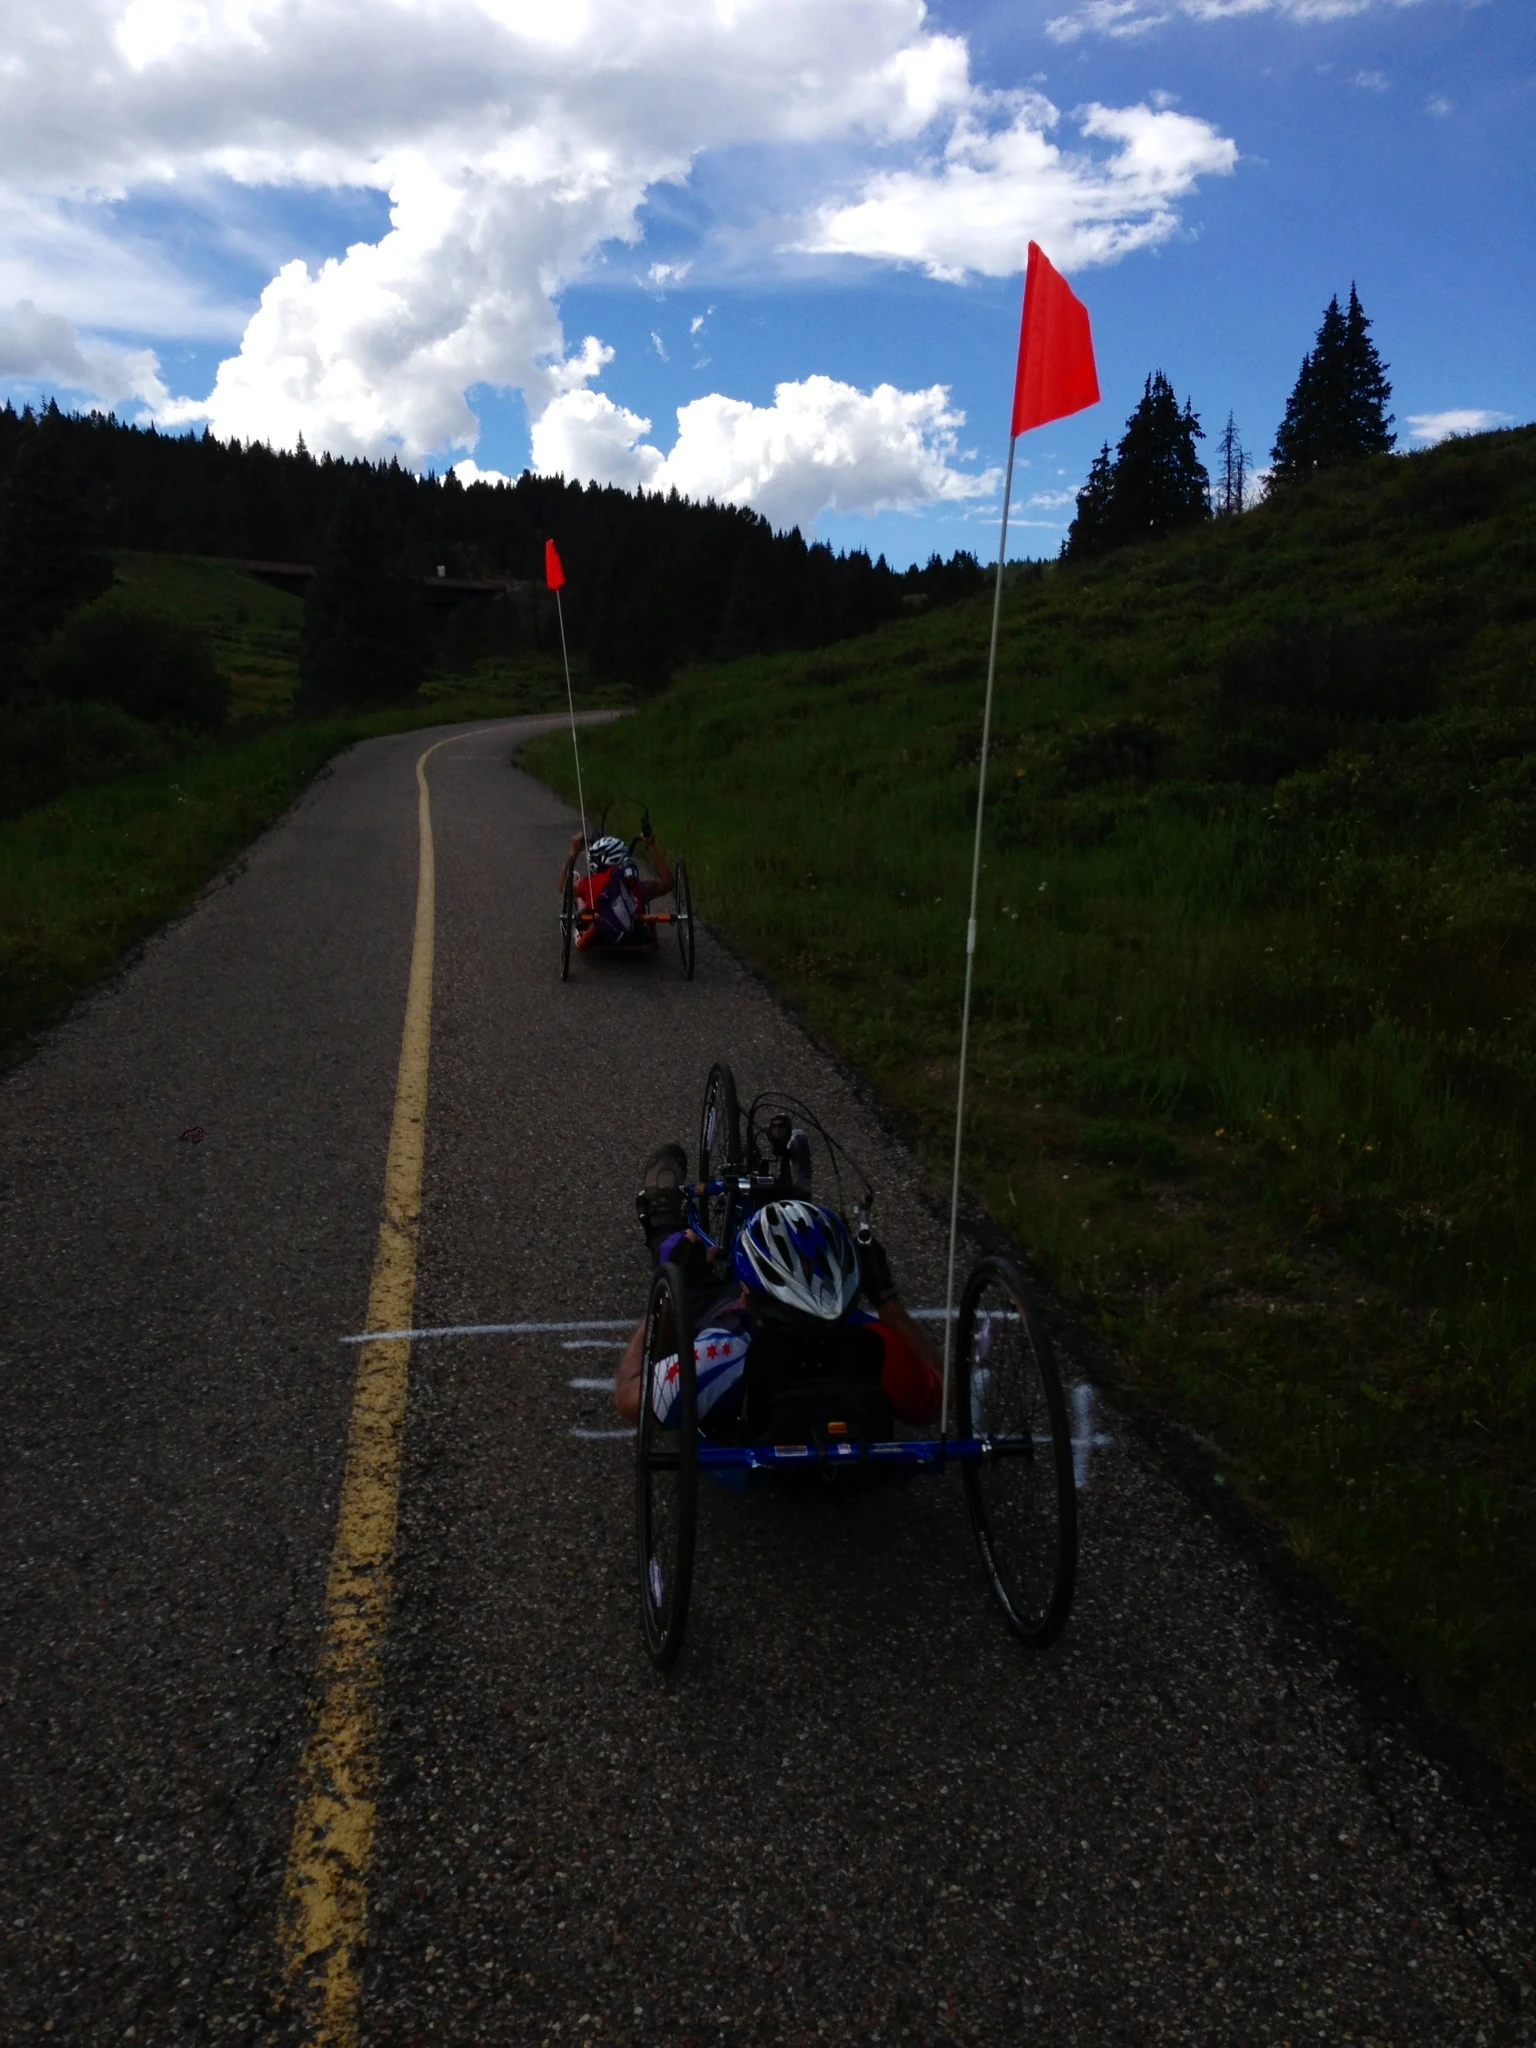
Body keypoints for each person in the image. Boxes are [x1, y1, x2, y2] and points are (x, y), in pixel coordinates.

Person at [615, 1142, 943, 1433]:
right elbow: (934, 1401)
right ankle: (791, 1205)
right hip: (848, 1423)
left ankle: (663, 1222)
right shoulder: (880, 1345)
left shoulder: (719, 1356)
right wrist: (887, 1299)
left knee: (689, 1268)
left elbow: (629, 1399)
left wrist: (672, 1290)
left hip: (728, 1331)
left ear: (747, 1299)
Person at [560, 821, 673, 951]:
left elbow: (563, 887)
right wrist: (651, 846)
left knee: (578, 889)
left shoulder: (590, 883)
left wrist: (574, 850)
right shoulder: (636, 885)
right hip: (635, 935)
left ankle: (584, 913)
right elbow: (668, 882)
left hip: (600, 936)